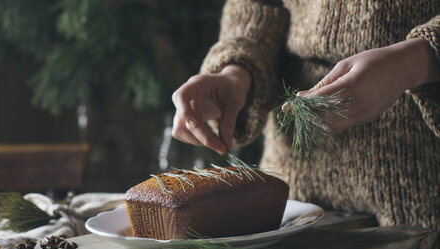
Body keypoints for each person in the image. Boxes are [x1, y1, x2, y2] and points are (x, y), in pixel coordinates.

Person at [171, 1, 440, 229]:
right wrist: (235, 71)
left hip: (421, 198)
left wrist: (414, 62)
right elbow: (260, 5)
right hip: (292, 187)